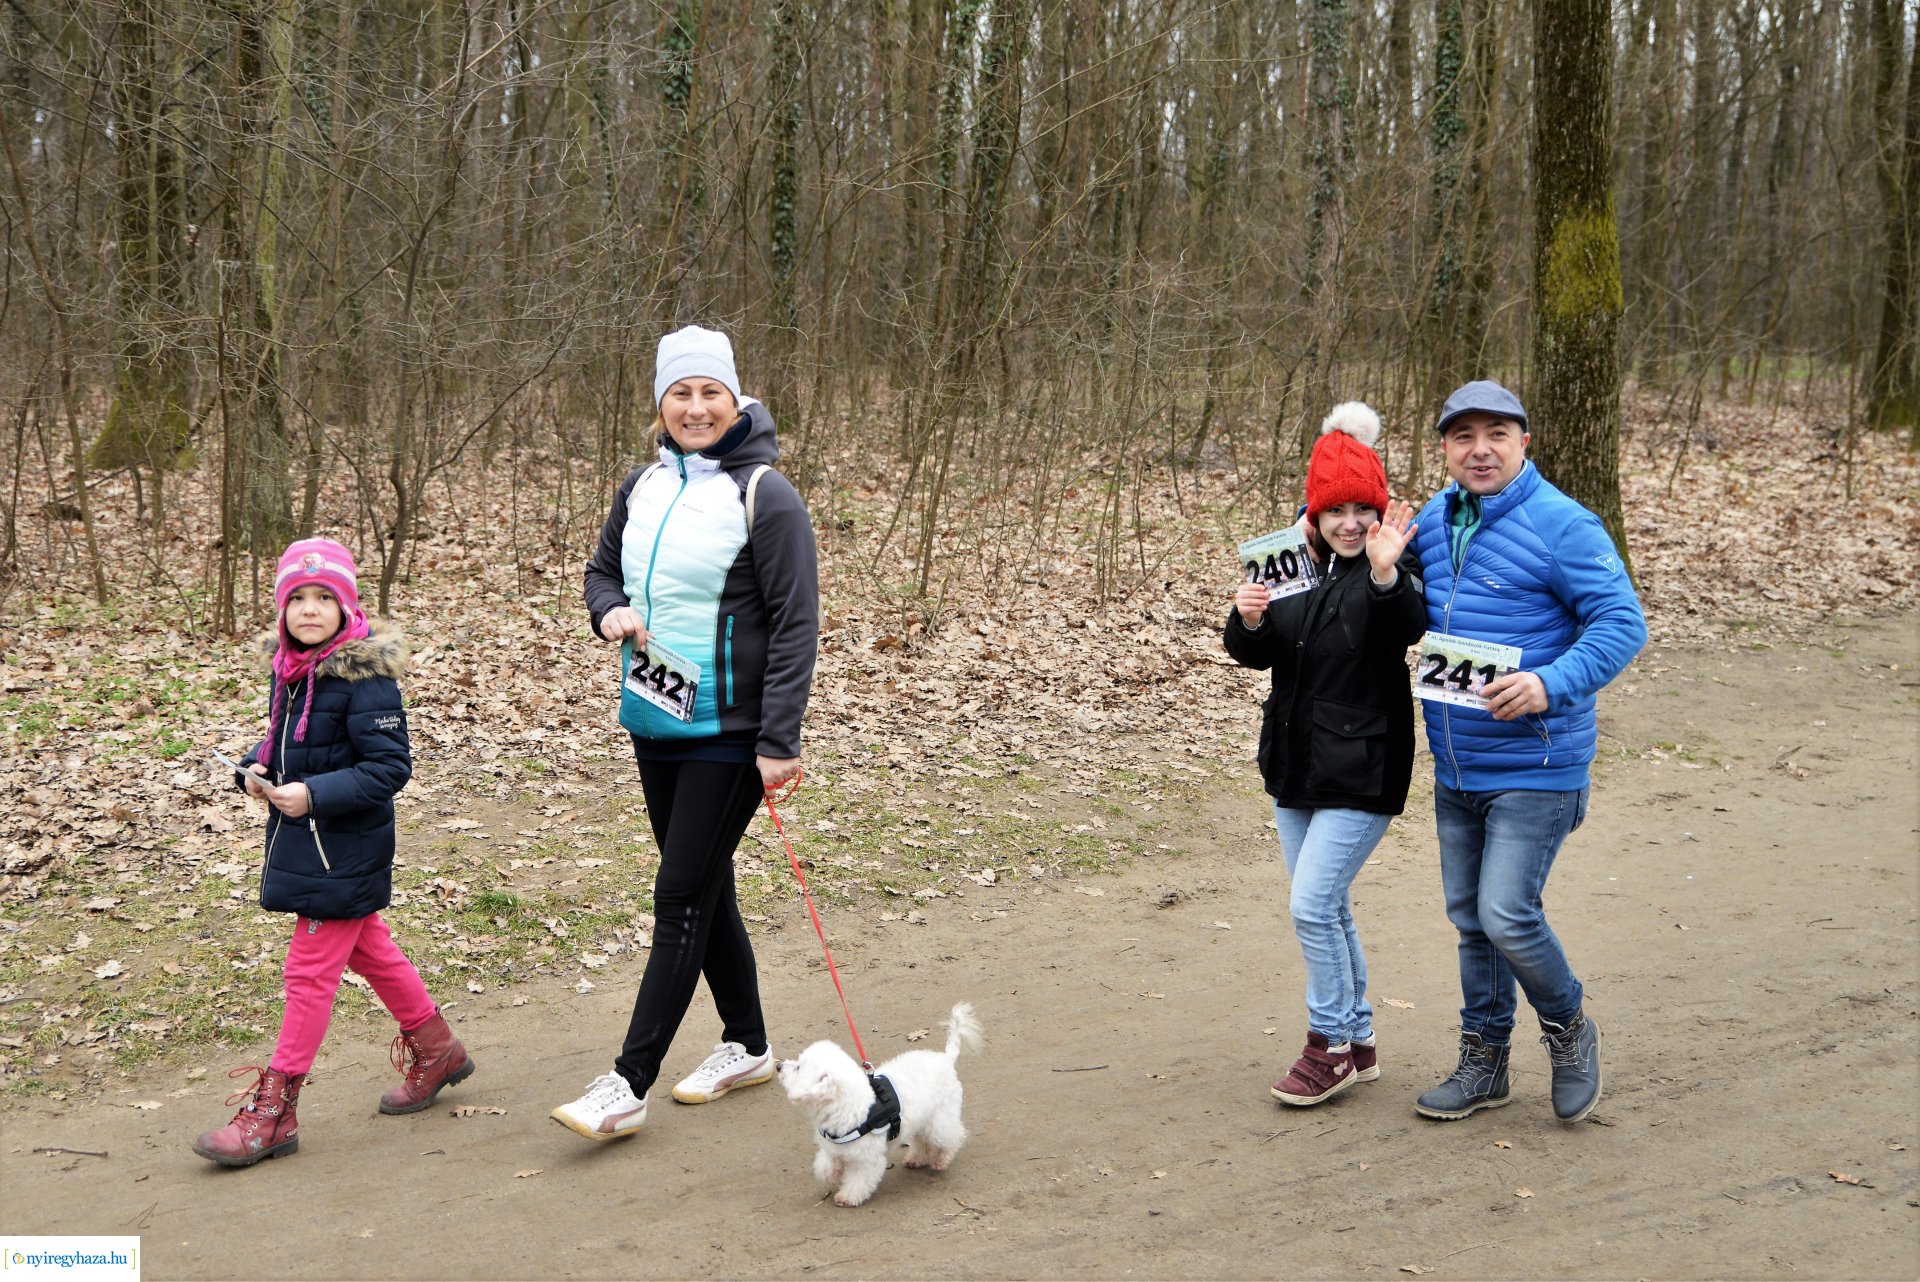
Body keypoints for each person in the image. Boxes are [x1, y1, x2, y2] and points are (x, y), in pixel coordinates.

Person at [555, 324, 819, 1142]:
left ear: (735, 400)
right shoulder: (640, 485)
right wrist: (610, 611)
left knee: (677, 897)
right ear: (660, 403)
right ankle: (747, 1043)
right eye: (681, 392)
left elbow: (796, 623)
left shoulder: (764, 493)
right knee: (705, 886)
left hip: (731, 732)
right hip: (654, 718)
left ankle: (627, 1083)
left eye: (711, 392)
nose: (696, 407)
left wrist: (779, 740)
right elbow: (601, 570)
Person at [1409, 380, 1646, 1125]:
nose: (1480, 449)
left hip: (1538, 764)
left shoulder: (1563, 524)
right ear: (1445, 448)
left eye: (1497, 434)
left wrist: (1549, 683)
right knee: (1471, 920)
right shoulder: (1433, 518)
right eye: (1463, 436)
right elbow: (1374, 561)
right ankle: (1485, 1062)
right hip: (1456, 762)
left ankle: (1569, 1027)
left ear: (1524, 442)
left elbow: (1621, 623)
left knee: (1506, 913)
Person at [194, 539, 474, 1167]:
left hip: (343, 843)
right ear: (281, 607)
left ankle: (275, 1111)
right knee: (371, 947)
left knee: (308, 974)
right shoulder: (293, 670)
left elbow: (388, 767)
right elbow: (288, 740)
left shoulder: (363, 676)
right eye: (299, 598)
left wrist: (312, 794)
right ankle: (438, 1049)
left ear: (347, 607)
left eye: (325, 598)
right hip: (310, 841)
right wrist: (257, 766)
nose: (311, 609)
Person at [1224, 403, 1427, 1107]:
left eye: (1360, 509)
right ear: (1313, 513)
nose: (1348, 522)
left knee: (1310, 905)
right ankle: (1361, 1041)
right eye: (1334, 509)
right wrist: (1247, 619)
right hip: (1295, 764)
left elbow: (1408, 625)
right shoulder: (1291, 566)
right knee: (1328, 904)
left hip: (1364, 768)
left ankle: (1329, 1045)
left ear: (1378, 513)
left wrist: (1383, 574)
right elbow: (1259, 653)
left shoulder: (1391, 562)